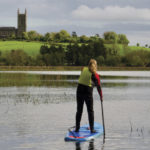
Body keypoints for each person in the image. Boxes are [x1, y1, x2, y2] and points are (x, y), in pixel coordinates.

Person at [75, 59, 103, 133]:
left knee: (79, 111)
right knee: (90, 111)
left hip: (79, 91)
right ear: (95, 66)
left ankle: (77, 128)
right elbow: (98, 87)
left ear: (88, 65)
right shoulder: (95, 75)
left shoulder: (83, 69)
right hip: (87, 93)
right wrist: (101, 97)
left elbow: (86, 76)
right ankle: (92, 129)